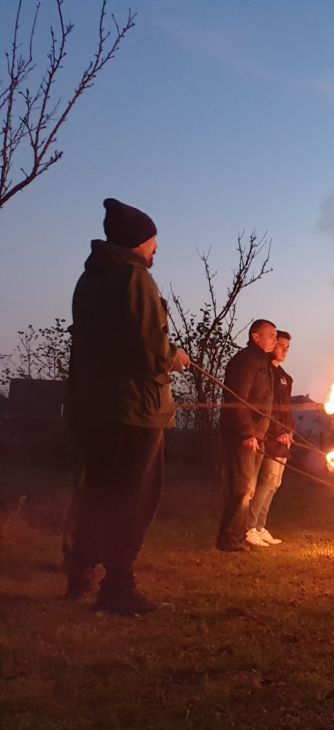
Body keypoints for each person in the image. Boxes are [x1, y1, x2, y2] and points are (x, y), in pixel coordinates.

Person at [63, 198, 191, 614]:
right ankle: (118, 584)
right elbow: (149, 352)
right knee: (131, 496)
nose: (156, 250)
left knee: (97, 491)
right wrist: (176, 357)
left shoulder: (90, 280)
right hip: (136, 409)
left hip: (96, 407)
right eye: (154, 242)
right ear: (139, 242)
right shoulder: (134, 279)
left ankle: (80, 572)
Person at [217, 319, 278, 552]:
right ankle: (230, 539)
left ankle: (238, 536)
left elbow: (263, 403)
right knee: (242, 487)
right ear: (255, 336)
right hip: (243, 435)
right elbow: (237, 400)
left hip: (257, 435)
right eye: (270, 335)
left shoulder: (263, 363)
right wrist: (246, 432)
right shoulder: (246, 361)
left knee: (248, 489)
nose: (274, 339)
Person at [245, 330, 294, 546]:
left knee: (275, 483)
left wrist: (289, 429)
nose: (283, 350)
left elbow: (285, 409)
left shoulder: (285, 377)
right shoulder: (265, 373)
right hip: (271, 436)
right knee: (265, 481)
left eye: (287, 347)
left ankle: (260, 526)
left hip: (285, 436)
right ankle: (249, 527)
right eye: (280, 345)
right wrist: (277, 431)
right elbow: (267, 409)